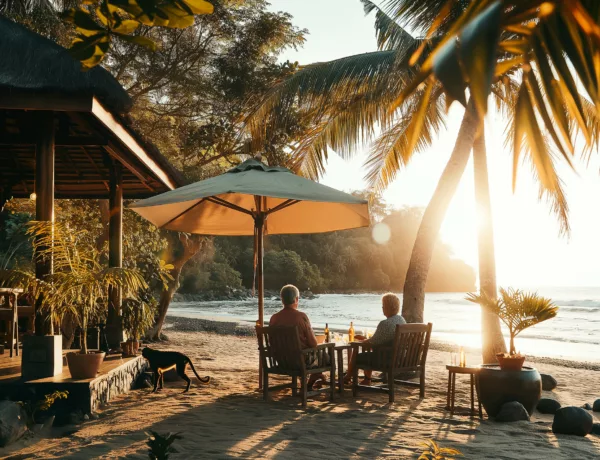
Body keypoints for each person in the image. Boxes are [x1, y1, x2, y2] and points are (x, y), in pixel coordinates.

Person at [270, 284, 328, 388]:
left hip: (281, 361)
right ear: (296, 299)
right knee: (325, 355)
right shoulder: (301, 317)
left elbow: (272, 342)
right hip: (299, 362)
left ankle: (312, 379)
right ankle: (311, 381)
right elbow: (313, 343)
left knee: (304, 353)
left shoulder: (274, 318)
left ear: (282, 300)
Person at [345, 293, 406, 385]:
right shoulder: (401, 320)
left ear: (388, 307)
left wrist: (359, 342)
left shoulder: (385, 323)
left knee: (357, 355)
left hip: (387, 359)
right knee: (369, 350)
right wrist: (366, 339)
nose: (382, 308)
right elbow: (381, 339)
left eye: (383, 306)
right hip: (401, 357)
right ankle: (367, 379)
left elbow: (373, 342)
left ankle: (348, 377)